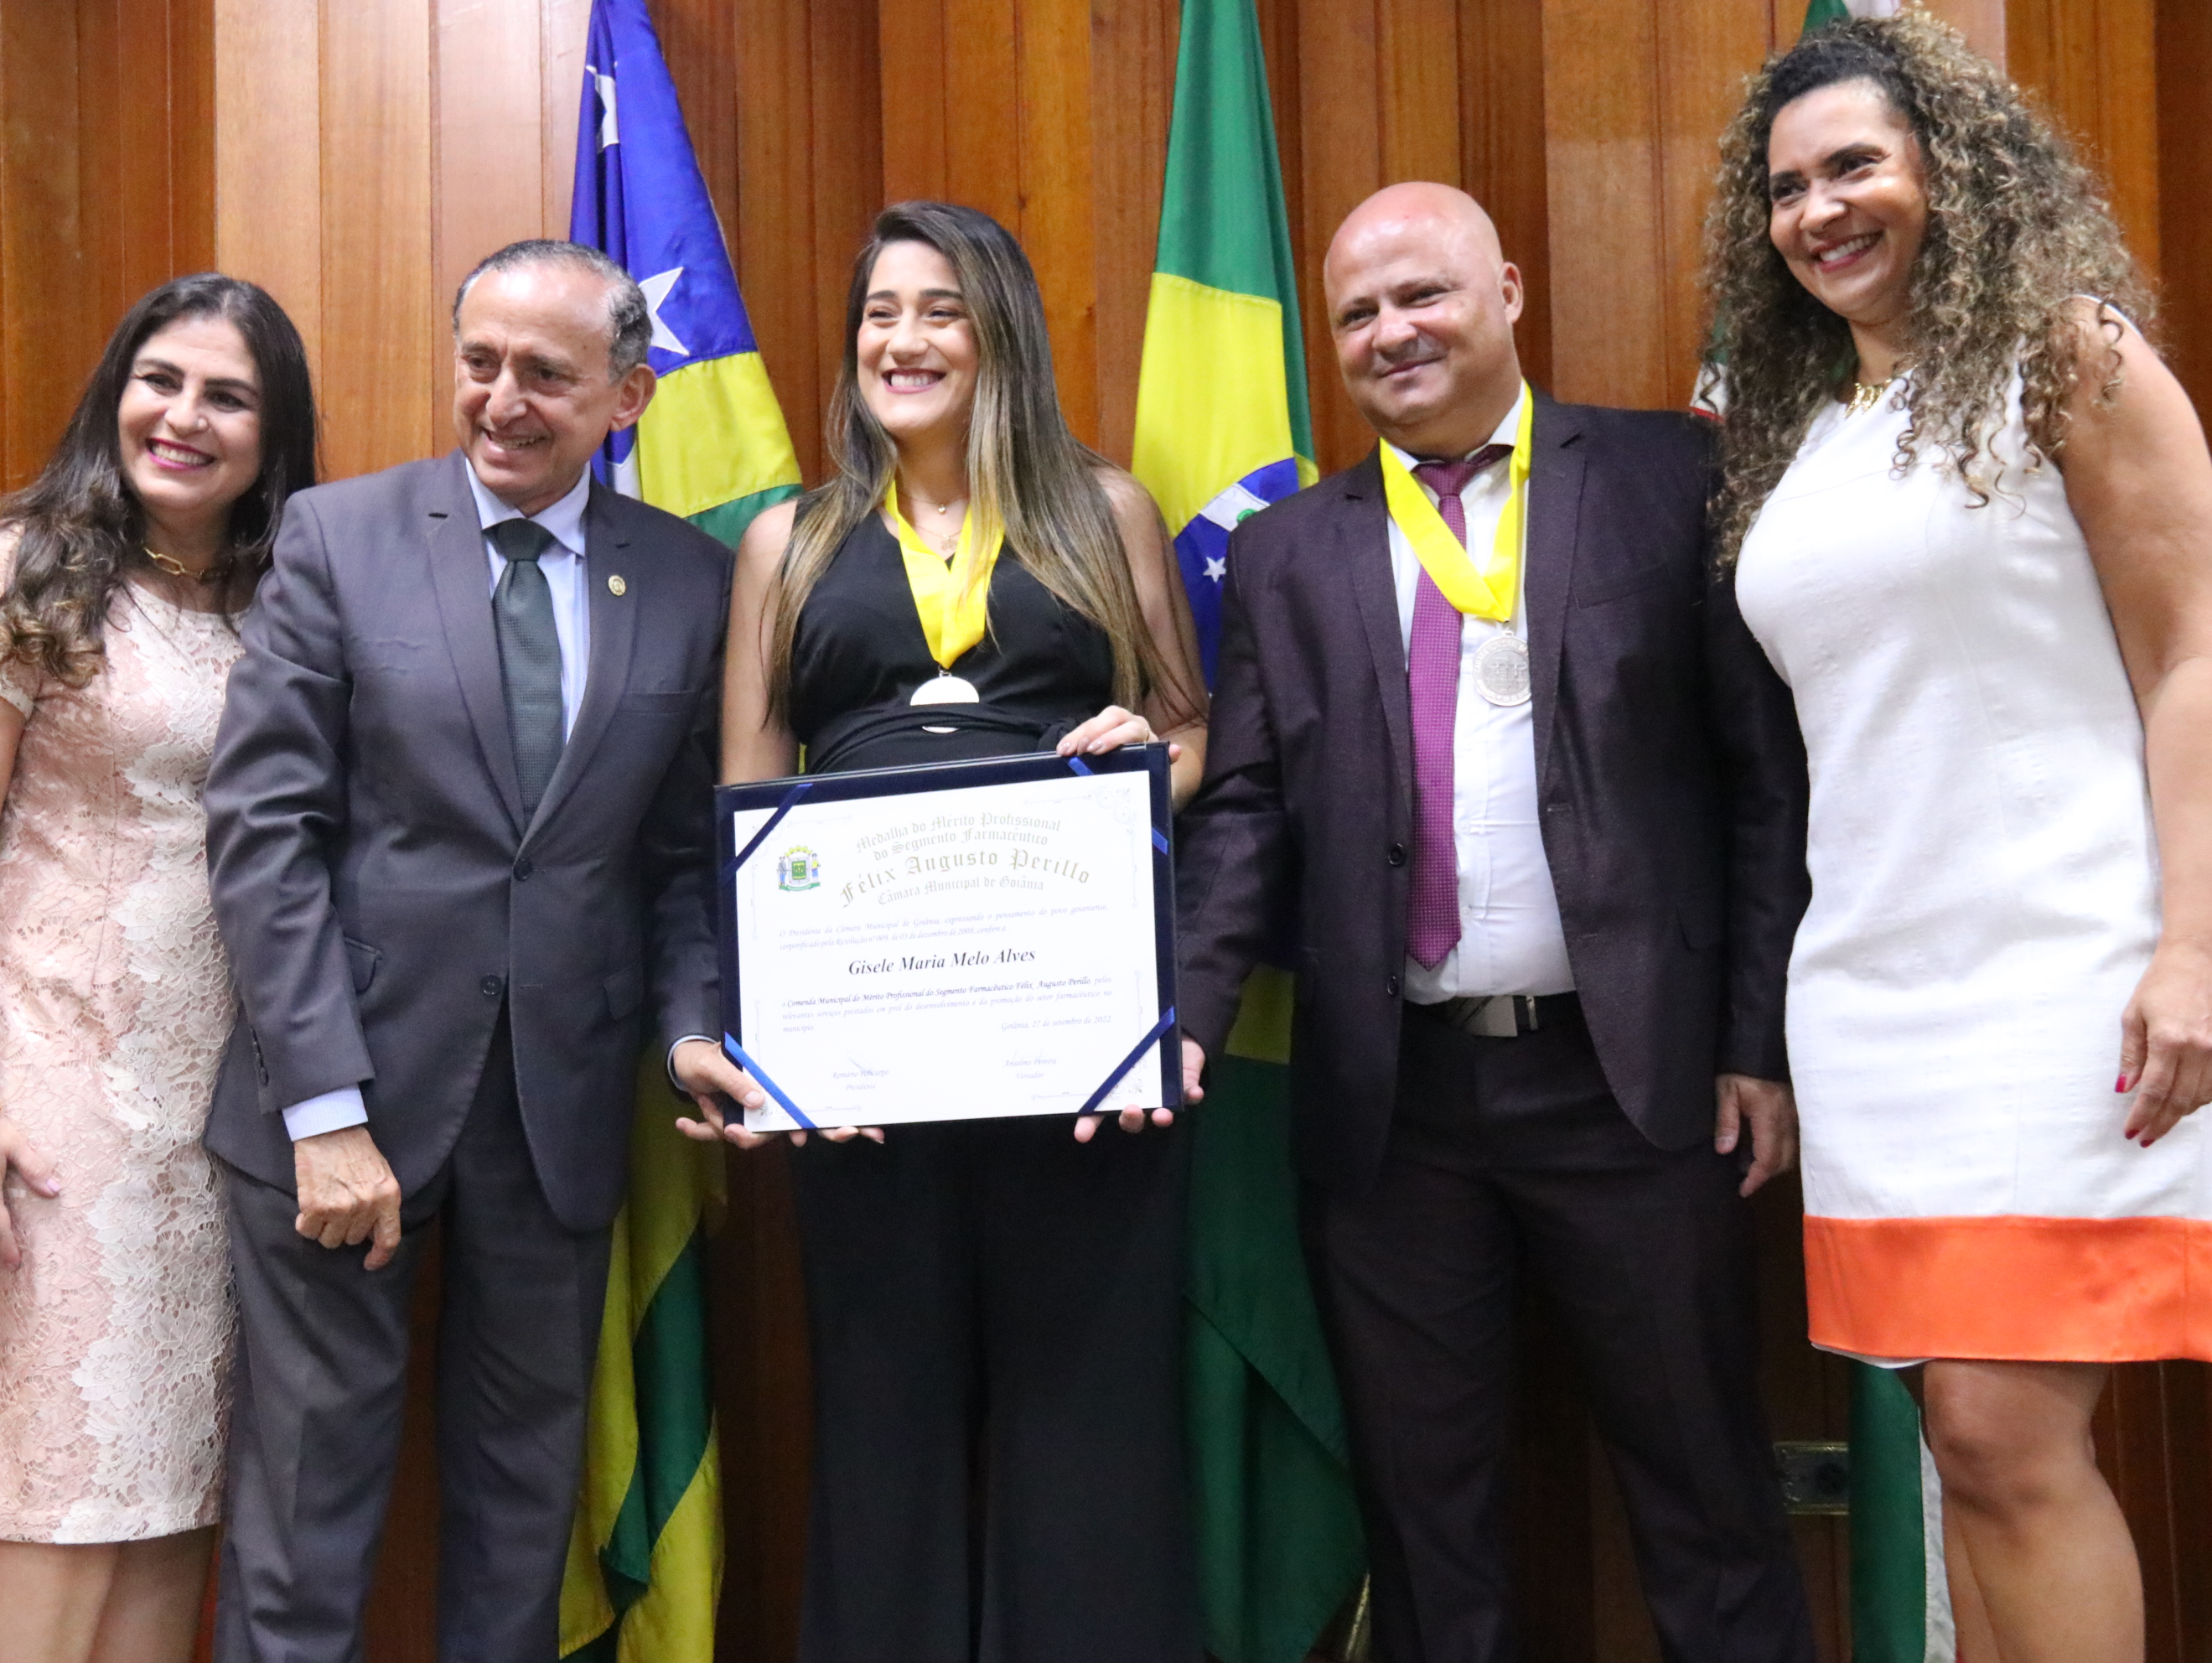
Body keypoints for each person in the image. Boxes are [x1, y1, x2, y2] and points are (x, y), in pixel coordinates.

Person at [1176, 183, 1818, 1663]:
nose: (1391, 332)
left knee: (1706, 1491)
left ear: (1509, 291)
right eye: (1357, 313)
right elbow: (1251, 809)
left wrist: (1755, 1042)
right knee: (1426, 1521)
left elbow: (1760, 780)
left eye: (1424, 294)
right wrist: (1189, 1018)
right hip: (1394, 1104)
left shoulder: (1671, 476)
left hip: (1638, 1085)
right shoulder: (1287, 550)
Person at [1707, 17, 2212, 1663]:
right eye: (1787, 187)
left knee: (2003, 1432)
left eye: (1855, 164)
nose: (1819, 210)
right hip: (1872, 996)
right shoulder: (1810, 432)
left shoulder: (2068, 355)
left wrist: (2196, 945)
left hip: (2061, 969)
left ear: (1955, 167)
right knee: (1959, 1444)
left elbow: (2193, 655)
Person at [202, 239, 746, 1662]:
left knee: (521, 1511)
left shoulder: (691, 580)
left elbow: (678, 862)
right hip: (343, 1093)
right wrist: (324, 1111)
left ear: (628, 396)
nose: (502, 401)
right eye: (480, 363)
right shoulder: (340, 538)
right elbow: (264, 833)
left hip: (559, 1108)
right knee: (306, 1515)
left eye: (547, 376)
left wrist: (693, 1027)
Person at [679, 200, 1208, 1662]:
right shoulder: (789, 540)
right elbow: (747, 802)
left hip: (1076, 1052)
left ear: (1001, 334)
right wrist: (775, 1048)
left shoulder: (1104, 512)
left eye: (941, 309)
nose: (903, 341)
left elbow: (1192, 734)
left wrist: (1144, 756)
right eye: (880, 313)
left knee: (1092, 1430)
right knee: (883, 1433)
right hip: (866, 1071)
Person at [0, 274, 317, 1663]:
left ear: (273, 431)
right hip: (53, 1102)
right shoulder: (22, 564)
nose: (184, 417)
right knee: (58, 1487)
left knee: (168, 1499)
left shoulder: (284, 595)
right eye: (161, 380)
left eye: (228, 397)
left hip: (224, 1118)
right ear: (115, 392)